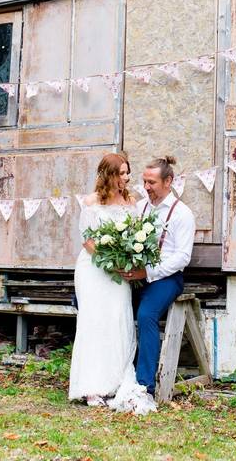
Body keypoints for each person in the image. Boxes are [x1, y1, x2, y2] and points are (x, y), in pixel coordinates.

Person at [67, 153, 156, 415]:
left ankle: (116, 381)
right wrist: (109, 260)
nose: (126, 178)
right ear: (109, 175)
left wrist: (126, 261)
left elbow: (136, 235)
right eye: (122, 173)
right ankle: (92, 387)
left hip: (120, 272)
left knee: (119, 319)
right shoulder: (91, 201)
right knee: (94, 323)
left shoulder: (132, 201)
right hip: (93, 269)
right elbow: (87, 240)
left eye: (128, 173)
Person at [121, 155, 195, 400]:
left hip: (167, 279)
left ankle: (145, 386)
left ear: (168, 181)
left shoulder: (182, 213)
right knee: (114, 307)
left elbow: (182, 257)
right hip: (138, 275)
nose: (146, 187)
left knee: (146, 315)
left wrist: (148, 272)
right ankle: (118, 375)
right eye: (144, 182)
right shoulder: (140, 207)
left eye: (151, 182)